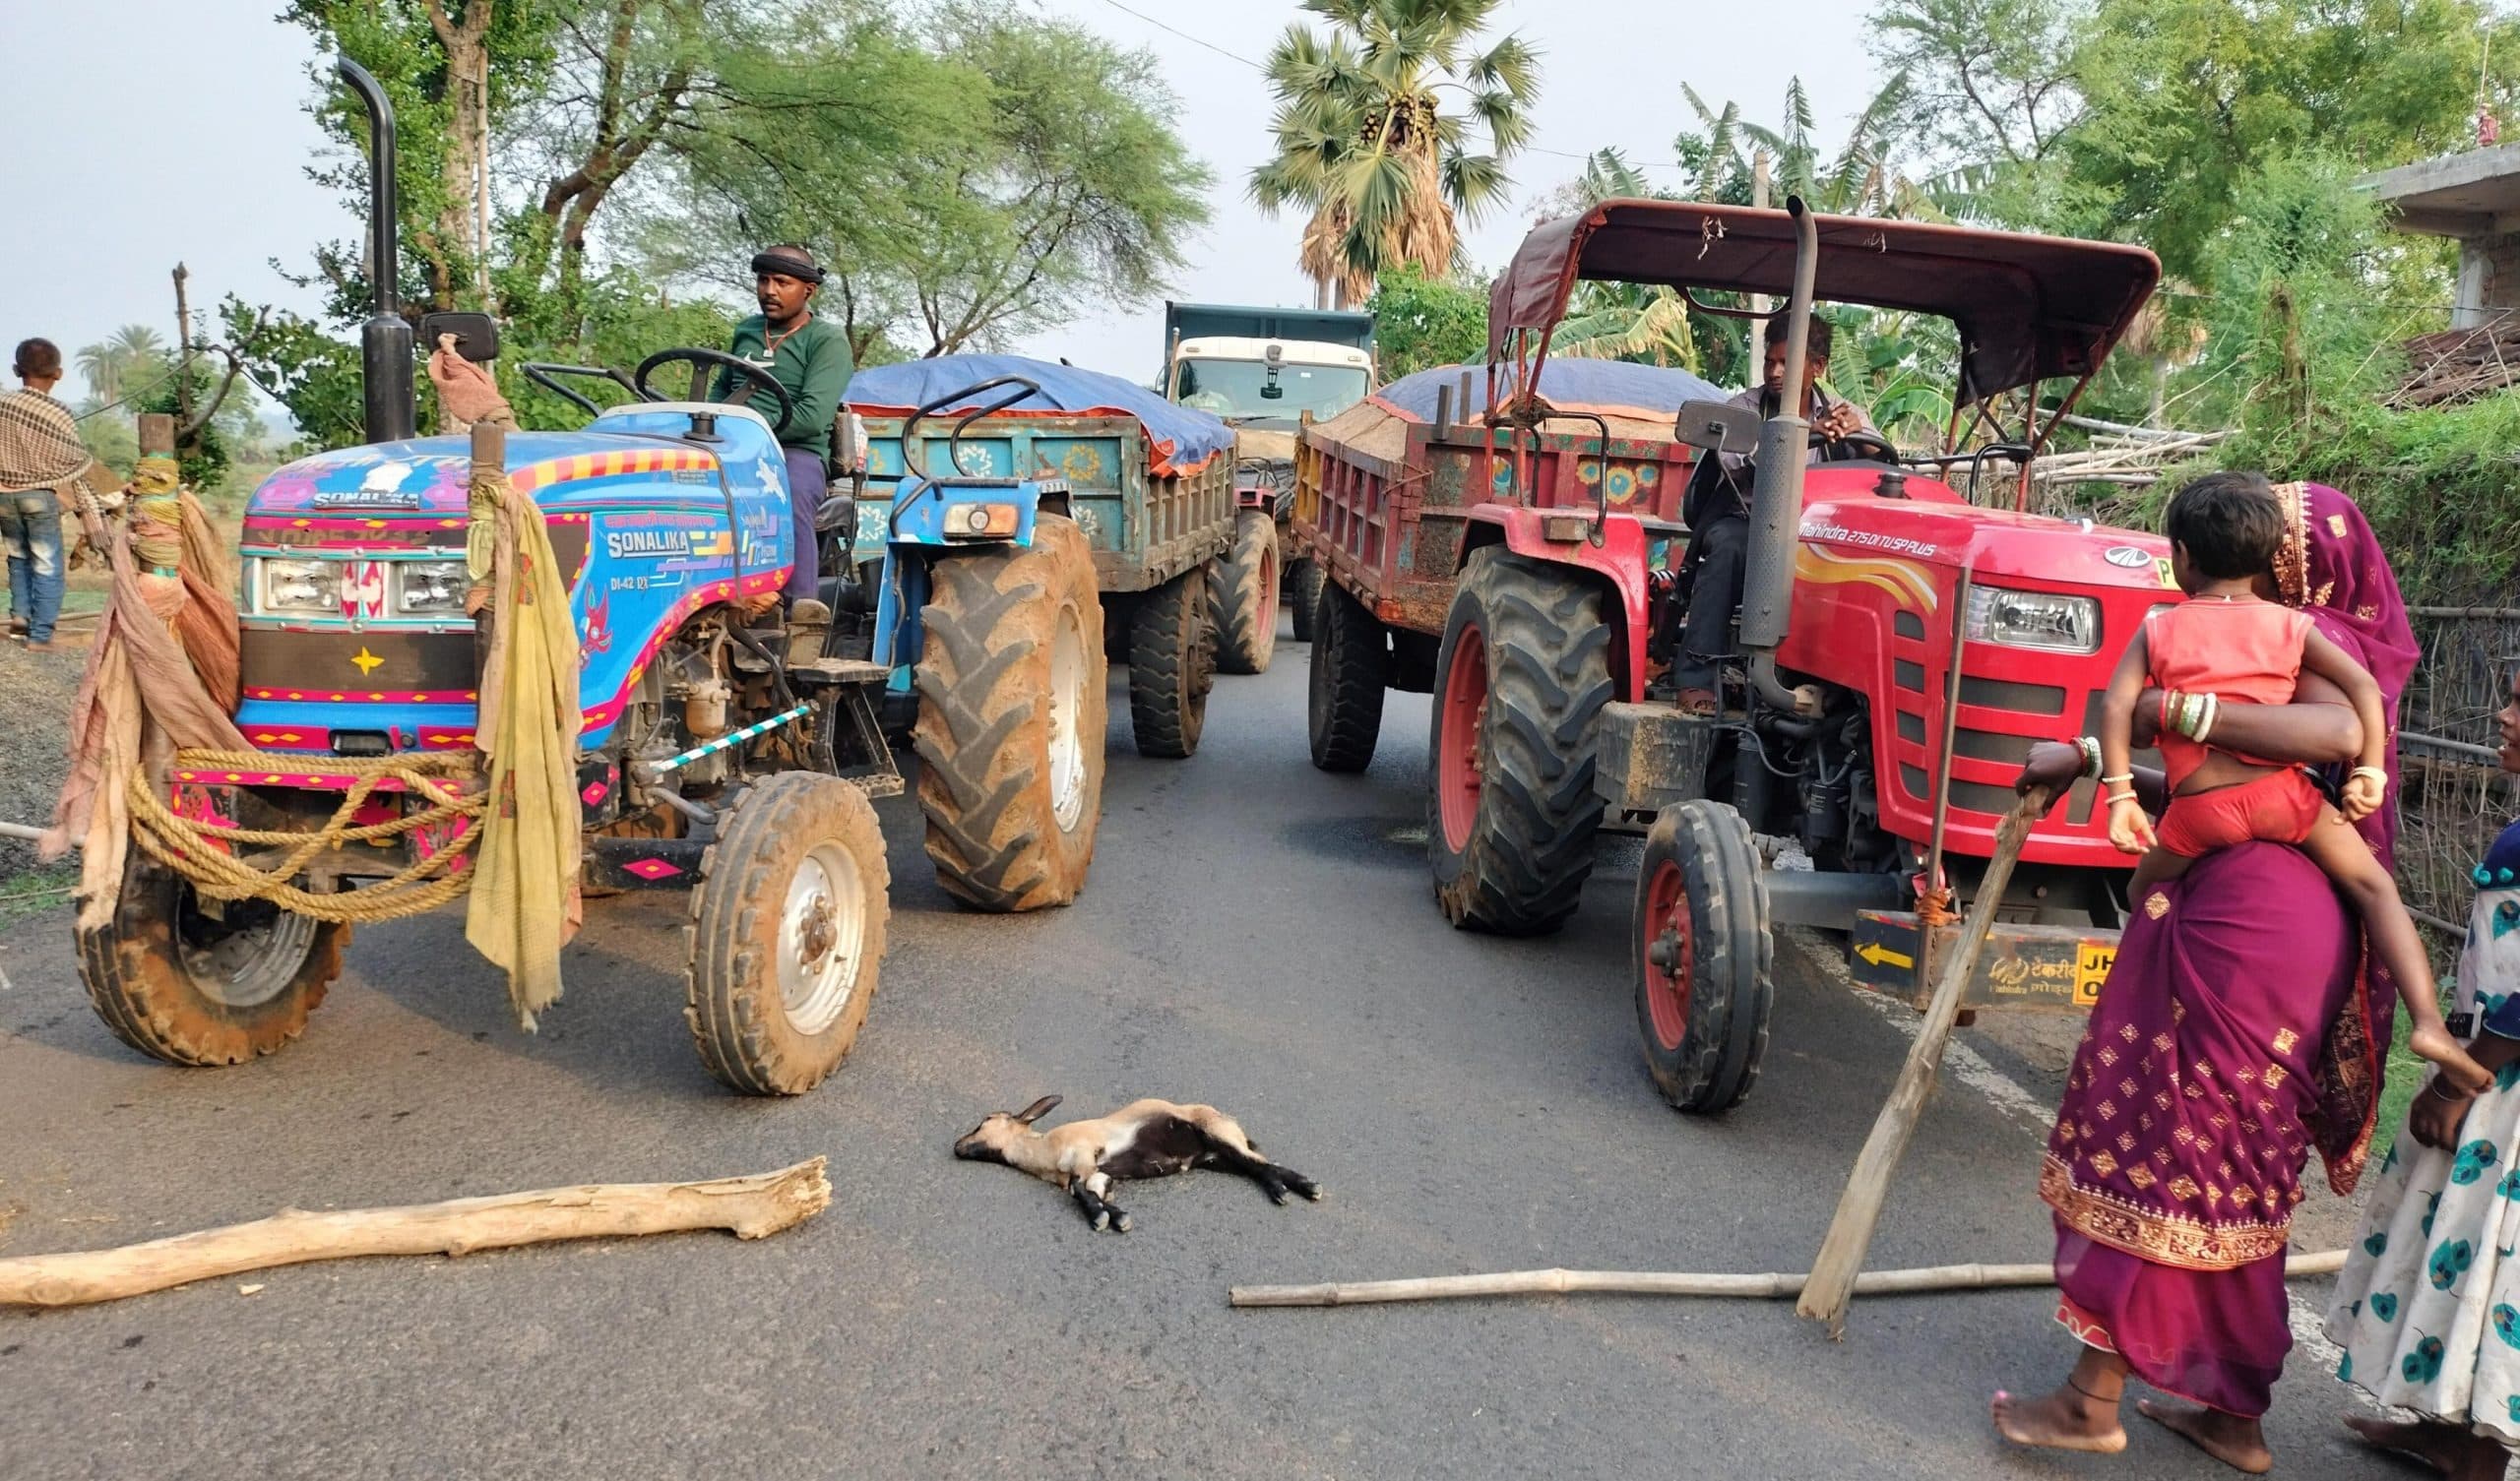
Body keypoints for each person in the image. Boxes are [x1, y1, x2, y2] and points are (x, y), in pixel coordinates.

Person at [1991, 479, 2416, 1475]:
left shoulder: (2309, 647)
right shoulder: (2275, 640)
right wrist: (2097, 757)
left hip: (2249, 917)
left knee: (2168, 1131)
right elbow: (2222, 768)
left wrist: (2158, 707)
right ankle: (2231, 1408)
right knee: (2231, 1153)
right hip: (2255, 897)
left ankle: (2091, 1398)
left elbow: (2319, 744)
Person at [2100, 472, 2486, 1092]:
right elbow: (2364, 689)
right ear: (2265, 562)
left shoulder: (2158, 628)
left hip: (2198, 811)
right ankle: (2430, 1023)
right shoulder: (2295, 629)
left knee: (2144, 893)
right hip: (2286, 801)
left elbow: (2120, 709)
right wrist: (2371, 773)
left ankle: (2127, 997)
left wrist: (2120, 795)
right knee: (2375, 889)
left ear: (2182, 558)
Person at [2327, 664, 2520, 1481]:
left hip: (2500, 1083)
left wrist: (2457, 1079)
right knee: (2479, 1251)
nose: (2504, 715)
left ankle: (2476, 1451)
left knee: (2489, 1245)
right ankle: (2459, 1434)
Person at [1672, 311, 1877, 714]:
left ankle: (1840, 690)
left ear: (1817, 367)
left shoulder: (1839, 409)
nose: (1775, 371)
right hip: (1747, 522)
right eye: (1770, 361)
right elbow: (1735, 463)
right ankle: (1696, 679)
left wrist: (1860, 436)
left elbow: (1882, 461)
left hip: (1816, 532)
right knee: (1728, 549)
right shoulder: (1745, 409)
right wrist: (1805, 435)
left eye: (1787, 363)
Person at [721, 244, 851, 617]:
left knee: (786, 495)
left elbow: (811, 417)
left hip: (793, 451)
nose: (769, 290)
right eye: (763, 280)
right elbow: (720, 391)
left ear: (808, 291)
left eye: (782, 282)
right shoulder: (746, 330)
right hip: (731, 446)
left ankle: (801, 615)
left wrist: (751, 432)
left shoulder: (826, 340)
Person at [0, 338, 93, 651]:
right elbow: (77, 459)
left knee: (18, 558)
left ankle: (20, 618)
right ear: (59, 373)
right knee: (47, 564)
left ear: (16, 370)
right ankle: (39, 637)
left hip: (3, 499)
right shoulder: (59, 414)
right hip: (39, 498)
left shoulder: (2, 405)